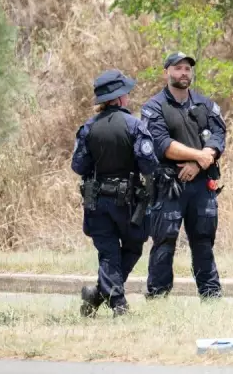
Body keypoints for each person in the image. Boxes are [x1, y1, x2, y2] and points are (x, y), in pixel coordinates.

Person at [71, 69, 159, 317]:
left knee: (108, 253)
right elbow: (148, 164)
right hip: (127, 204)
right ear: (120, 98)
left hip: (96, 203)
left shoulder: (87, 129)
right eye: (126, 94)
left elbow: (78, 166)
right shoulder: (135, 126)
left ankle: (97, 294)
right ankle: (119, 305)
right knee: (132, 247)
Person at [140, 52, 226, 300]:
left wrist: (200, 162)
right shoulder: (154, 107)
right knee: (164, 241)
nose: (183, 73)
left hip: (201, 185)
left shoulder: (205, 105)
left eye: (187, 69)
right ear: (166, 72)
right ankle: (158, 296)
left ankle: (210, 295)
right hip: (169, 186)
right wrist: (200, 155)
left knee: (203, 241)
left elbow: (219, 137)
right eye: (177, 69)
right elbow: (162, 144)